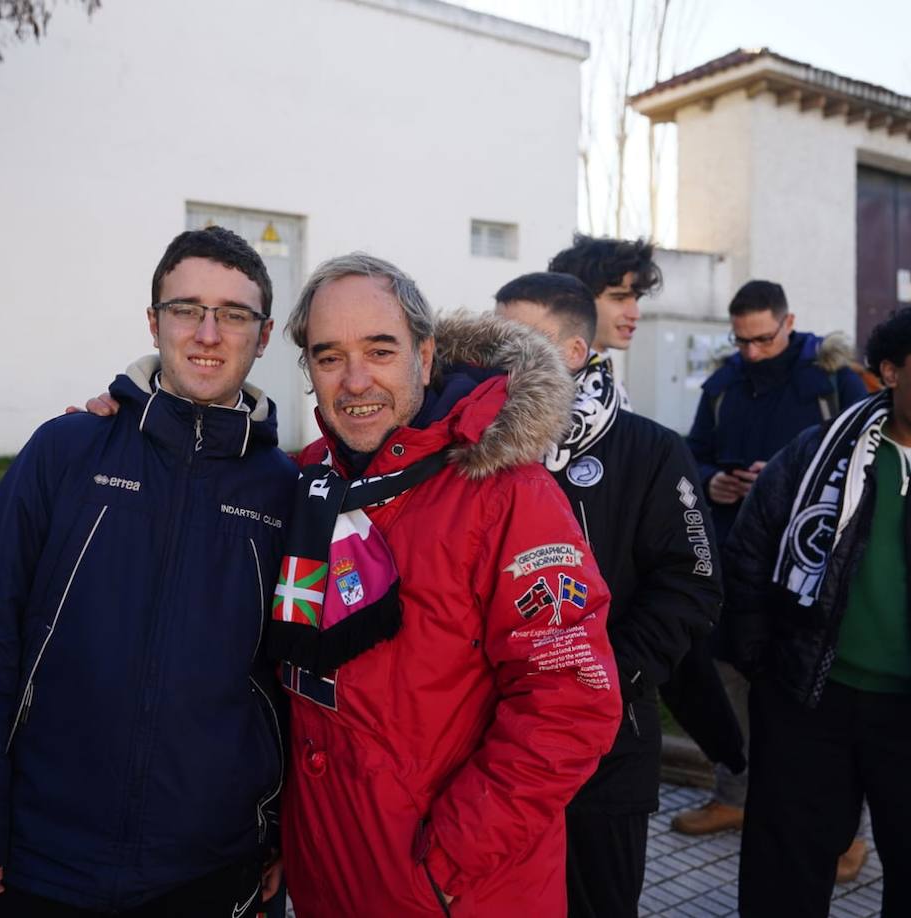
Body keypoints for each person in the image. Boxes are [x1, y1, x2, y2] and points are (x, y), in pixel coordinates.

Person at [0, 226, 294, 916]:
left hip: (210, 861)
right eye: (186, 309)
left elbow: (286, 674)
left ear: (263, 335)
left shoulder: (284, 489)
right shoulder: (67, 451)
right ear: (154, 322)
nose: (208, 333)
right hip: (47, 855)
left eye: (234, 314)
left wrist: (280, 831)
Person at [268, 254, 621, 916]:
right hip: (327, 875)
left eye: (380, 350)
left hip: (454, 890)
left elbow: (570, 701)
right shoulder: (307, 480)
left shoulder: (507, 493)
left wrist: (449, 862)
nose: (355, 380)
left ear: (425, 357)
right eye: (328, 356)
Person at [723, 299, 911, 917]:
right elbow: (749, 553)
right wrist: (761, 663)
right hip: (812, 701)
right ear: (890, 371)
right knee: (784, 875)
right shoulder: (817, 451)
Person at [494, 272, 725, 918]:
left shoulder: (651, 451)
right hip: (492, 746)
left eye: (521, 340)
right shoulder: (479, 448)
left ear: (572, 354)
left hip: (606, 747)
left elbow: (693, 585)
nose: (498, 358)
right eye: (496, 338)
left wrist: (608, 673)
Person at [671, 279, 867, 844]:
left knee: (820, 697)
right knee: (730, 676)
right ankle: (734, 795)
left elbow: (867, 458)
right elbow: (694, 452)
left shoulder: (835, 379)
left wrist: (788, 483)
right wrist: (715, 482)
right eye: (742, 341)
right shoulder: (724, 382)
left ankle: (846, 837)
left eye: (762, 339)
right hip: (738, 558)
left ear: (789, 322)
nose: (752, 351)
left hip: (815, 563)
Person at [547, 234, 663, 408]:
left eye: (636, 299)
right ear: (574, 300)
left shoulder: (604, 369)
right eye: (619, 298)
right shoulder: (552, 382)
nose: (635, 313)